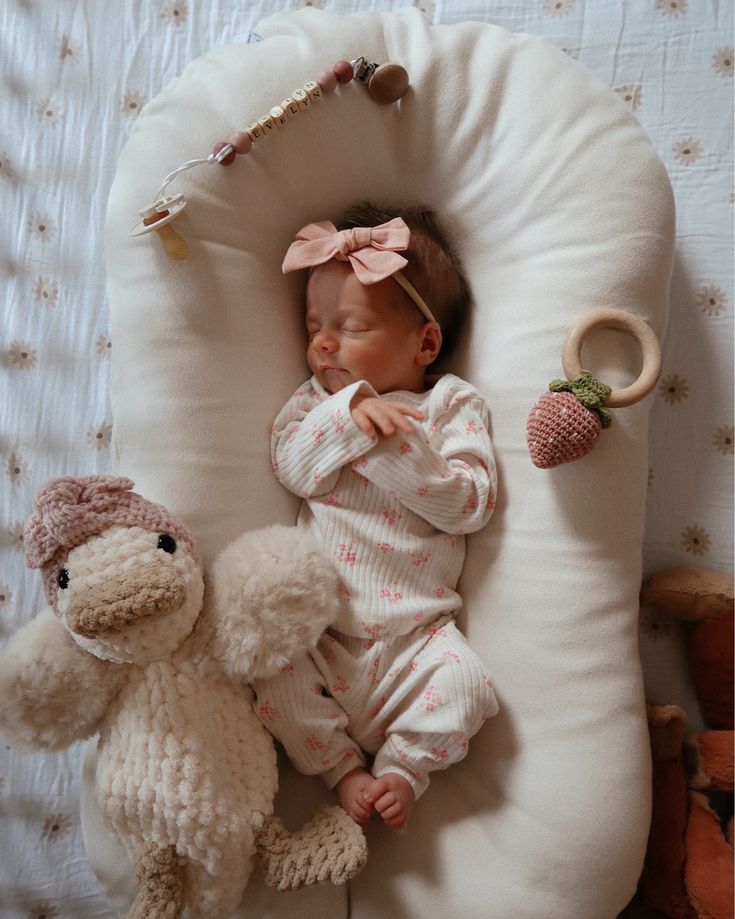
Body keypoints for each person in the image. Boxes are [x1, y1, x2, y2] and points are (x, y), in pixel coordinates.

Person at [252, 202, 498, 831]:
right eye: (315, 326)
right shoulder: (315, 405)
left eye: (350, 326)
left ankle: (403, 768)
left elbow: (469, 503)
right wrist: (348, 418)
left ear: (425, 342)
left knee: (468, 686)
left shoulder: (449, 405)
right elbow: (291, 468)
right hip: (323, 633)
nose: (323, 343)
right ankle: (341, 768)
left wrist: (395, 446)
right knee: (264, 660)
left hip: (416, 642)